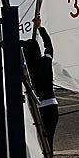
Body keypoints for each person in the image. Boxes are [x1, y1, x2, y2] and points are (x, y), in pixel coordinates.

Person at [22, 17, 58, 147]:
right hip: (52, 104)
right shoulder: (46, 61)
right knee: (50, 141)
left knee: (41, 143)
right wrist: (39, 27)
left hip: (39, 107)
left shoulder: (28, 71)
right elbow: (48, 45)